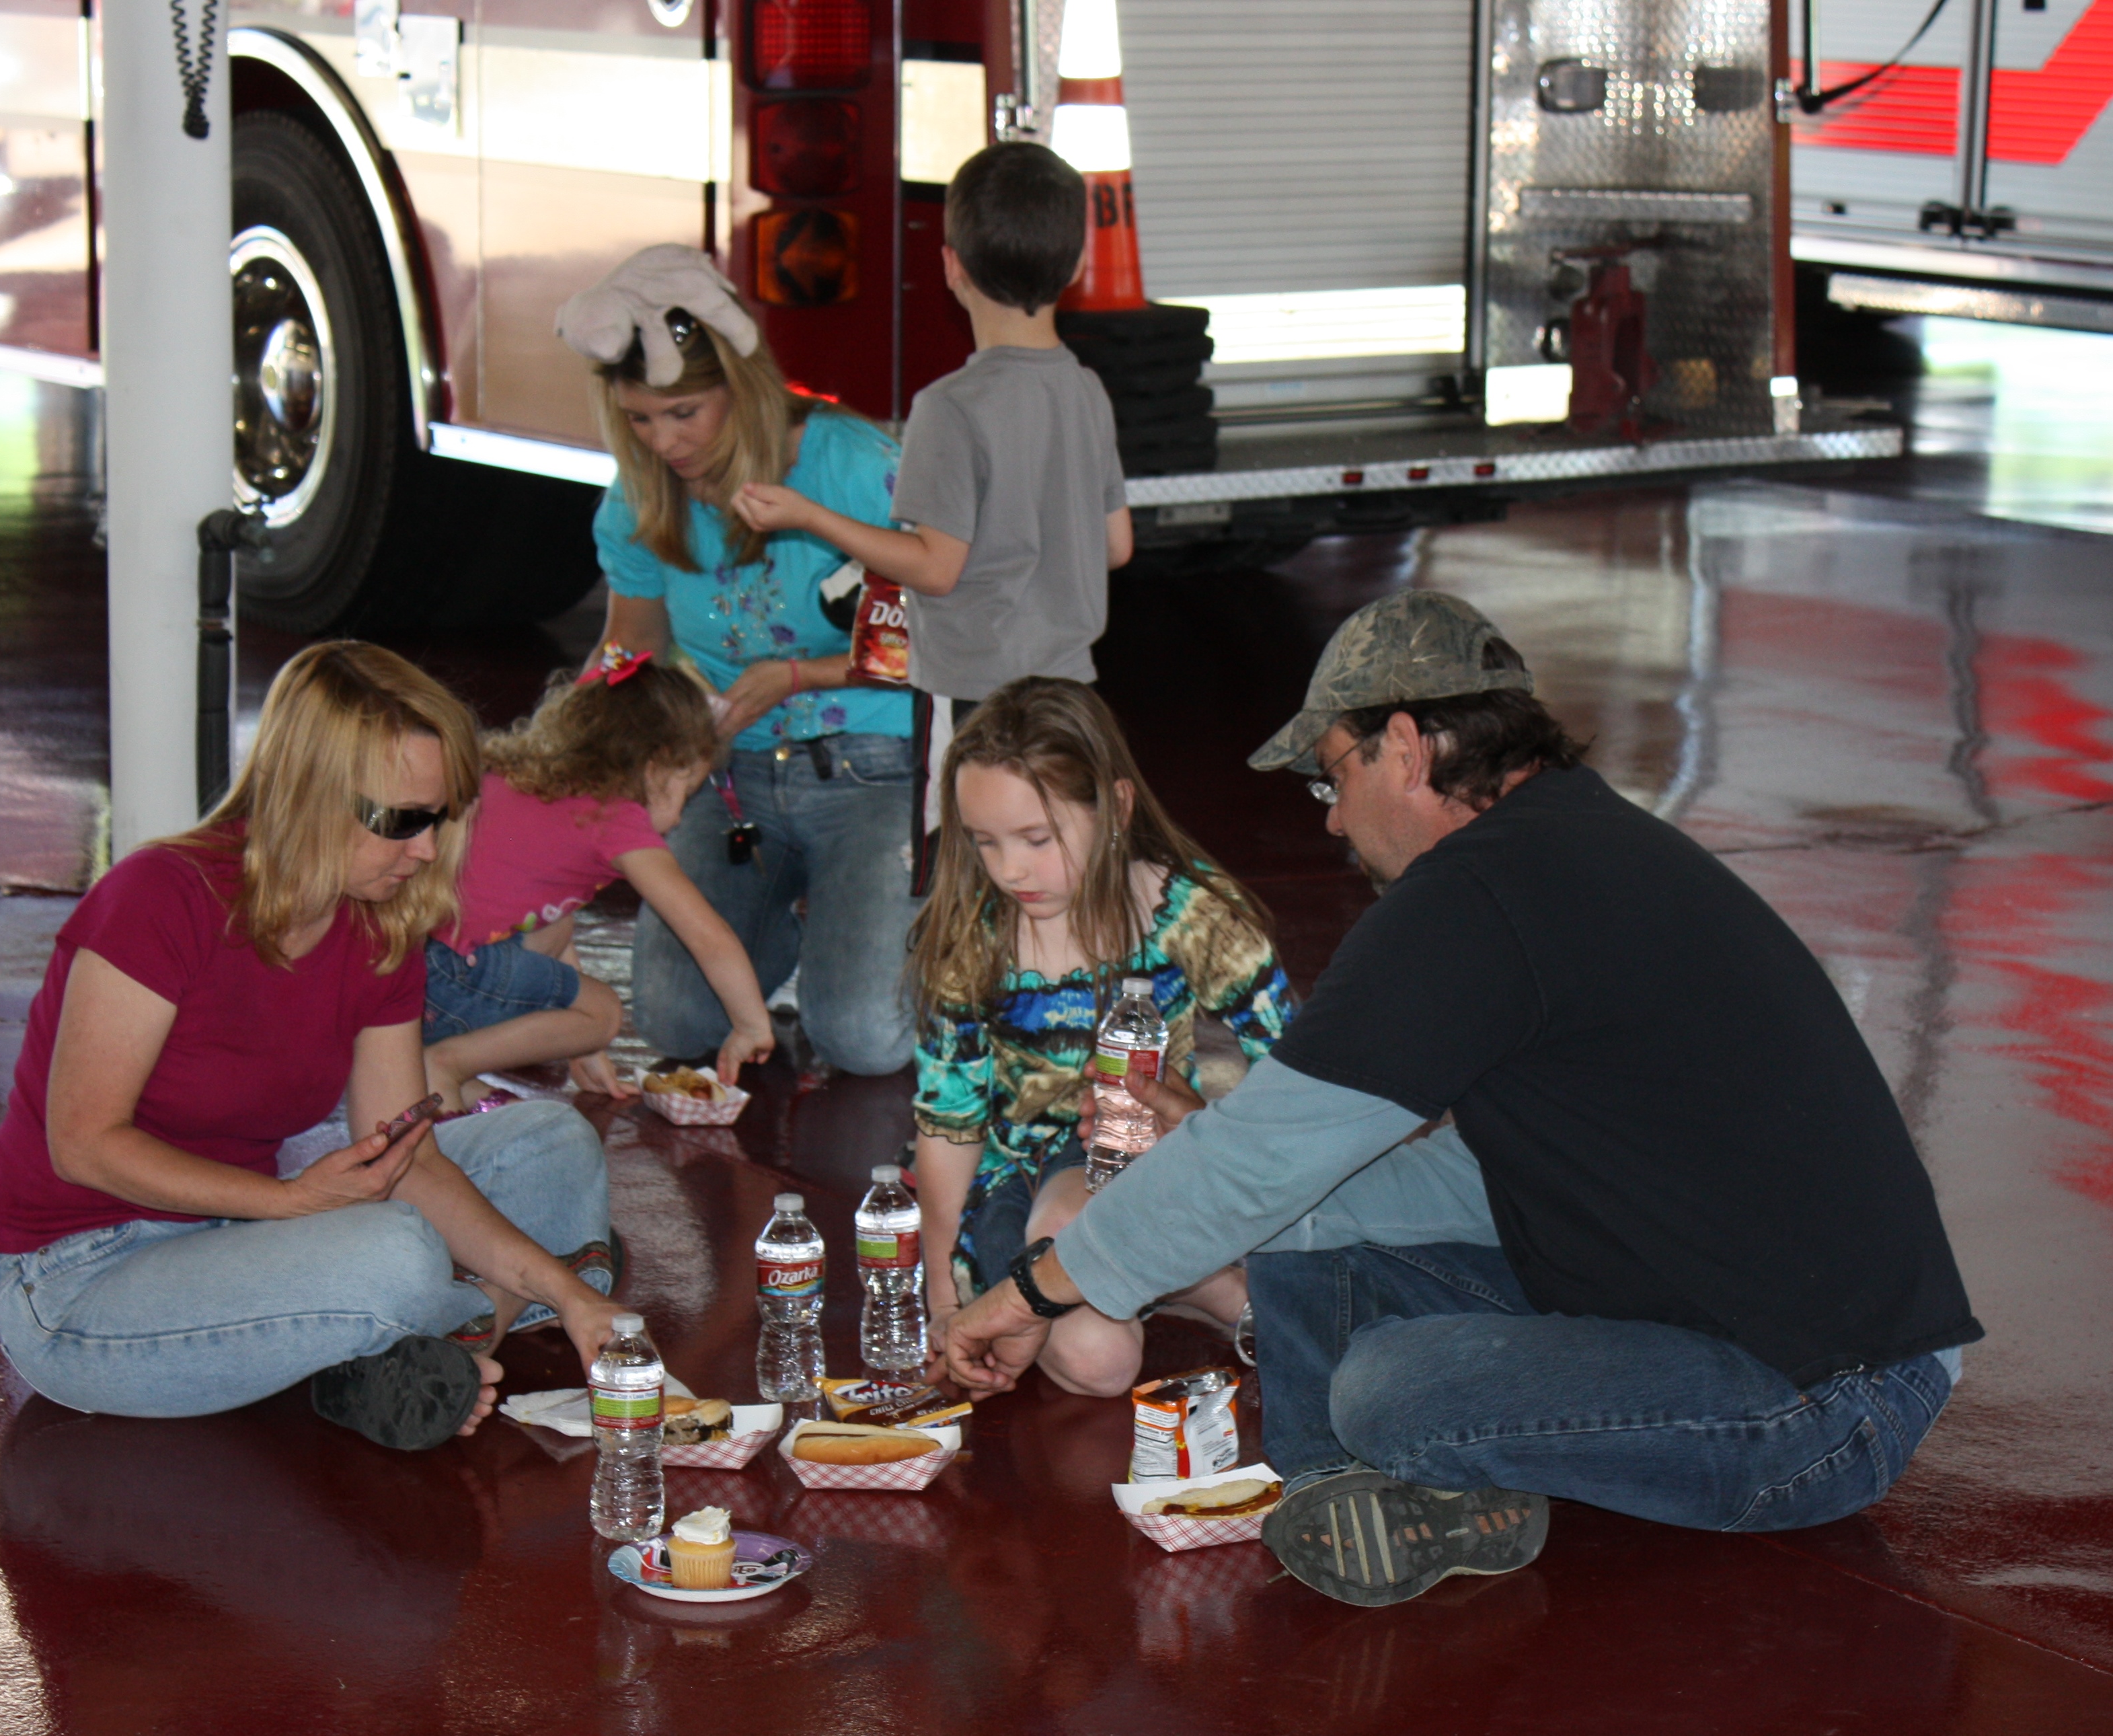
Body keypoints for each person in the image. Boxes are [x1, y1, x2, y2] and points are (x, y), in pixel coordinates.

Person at [944, 591, 1983, 1607]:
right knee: (1302, 1233)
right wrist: (1220, 1204)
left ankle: (1395, 1466)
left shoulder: (1475, 900)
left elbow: (1259, 1159)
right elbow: (1473, 1168)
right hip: (1707, 1302)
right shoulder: (1565, 851)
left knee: (1391, 1387)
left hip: (1828, 1396)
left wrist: (1032, 1288)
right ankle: (1344, 1494)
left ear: (1404, 746)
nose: (1337, 820)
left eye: (1331, 778)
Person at [0, 642, 625, 1453]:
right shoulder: (159, 896)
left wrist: (568, 1297)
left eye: (443, 816)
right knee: (397, 1250)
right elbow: (81, 1145)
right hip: (82, 1278)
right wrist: (293, 1205)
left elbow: (407, 1158)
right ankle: (452, 1312)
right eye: (400, 820)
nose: (425, 849)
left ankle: (434, 1335)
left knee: (550, 1140)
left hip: (243, 1222)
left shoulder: (380, 923)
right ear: (308, 794)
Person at [555, 245, 920, 1075]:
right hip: (727, 774)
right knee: (678, 1024)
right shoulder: (639, 493)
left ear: (741, 385)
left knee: (862, 1040)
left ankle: (897, 914)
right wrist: (564, 735)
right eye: (640, 420)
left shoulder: (854, 466)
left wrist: (797, 677)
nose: (664, 441)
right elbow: (630, 643)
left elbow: (933, 635)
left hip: (876, 768)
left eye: (684, 412)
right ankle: (808, 921)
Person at [730, 143, 1132, 883]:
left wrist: (807, 514)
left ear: (950, 266)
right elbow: (1114, 546)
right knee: (1059, 878)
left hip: (974, 699)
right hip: (1071, 696)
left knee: (965, 881)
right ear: (1074, 267)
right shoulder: (1086, 390)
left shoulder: (948, 407)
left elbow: (935, 569)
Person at [910, 678, 1295, 1397]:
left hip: (1151, 1161)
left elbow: (1290, 1064)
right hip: (1015, 1181)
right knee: (1100, 1364)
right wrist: (940, 1294)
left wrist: (1212, 1141)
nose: (1009, 869)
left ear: (1115, 807)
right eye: (983, 841)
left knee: (1076, 1209)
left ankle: (1189, 1274)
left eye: (1036, 838)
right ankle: (1194, 1277)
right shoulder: (972, 940)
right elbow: (948, 1123)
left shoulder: (1188, 912)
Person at [421, 647, 775, 1107]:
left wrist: (577, 1045)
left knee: (557, 927)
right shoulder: (616, 818)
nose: (681, 817)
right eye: (684, 791)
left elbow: (550, 923)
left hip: (409, 963)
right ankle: (445, 1062)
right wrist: (750, 1025)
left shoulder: (529, 777)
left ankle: (445, 1064)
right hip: (445, 978)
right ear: (655, 766)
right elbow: (708, 934)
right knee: (602, 1011)